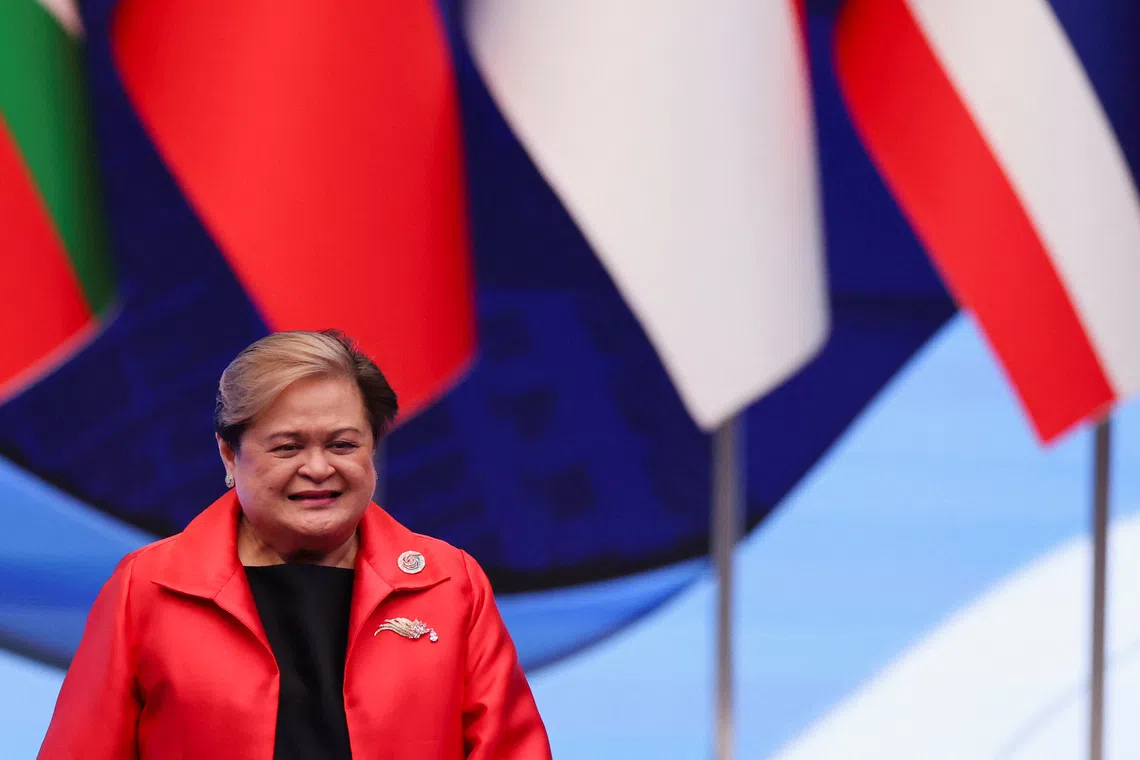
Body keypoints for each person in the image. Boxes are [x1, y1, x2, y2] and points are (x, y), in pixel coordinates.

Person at [37, 329, 552, 760]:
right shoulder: (148, 588)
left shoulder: (449, 582)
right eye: (288, 447)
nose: (319, 468)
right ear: (229, 455)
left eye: (343, 444)